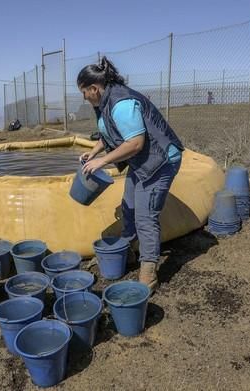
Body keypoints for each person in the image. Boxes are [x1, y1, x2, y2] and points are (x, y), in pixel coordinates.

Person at [78, 57, 184, 292]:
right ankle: (125, 254)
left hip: (160, 161)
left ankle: (149, 273)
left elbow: (135, 143)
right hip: (143, 162)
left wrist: (103, 161)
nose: (83, 97)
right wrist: (93, 152)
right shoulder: (104, 102)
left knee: (146, 217)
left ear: (94, 88)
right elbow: (109, 133)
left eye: (84, 92)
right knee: (129, 206)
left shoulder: (121, 103)